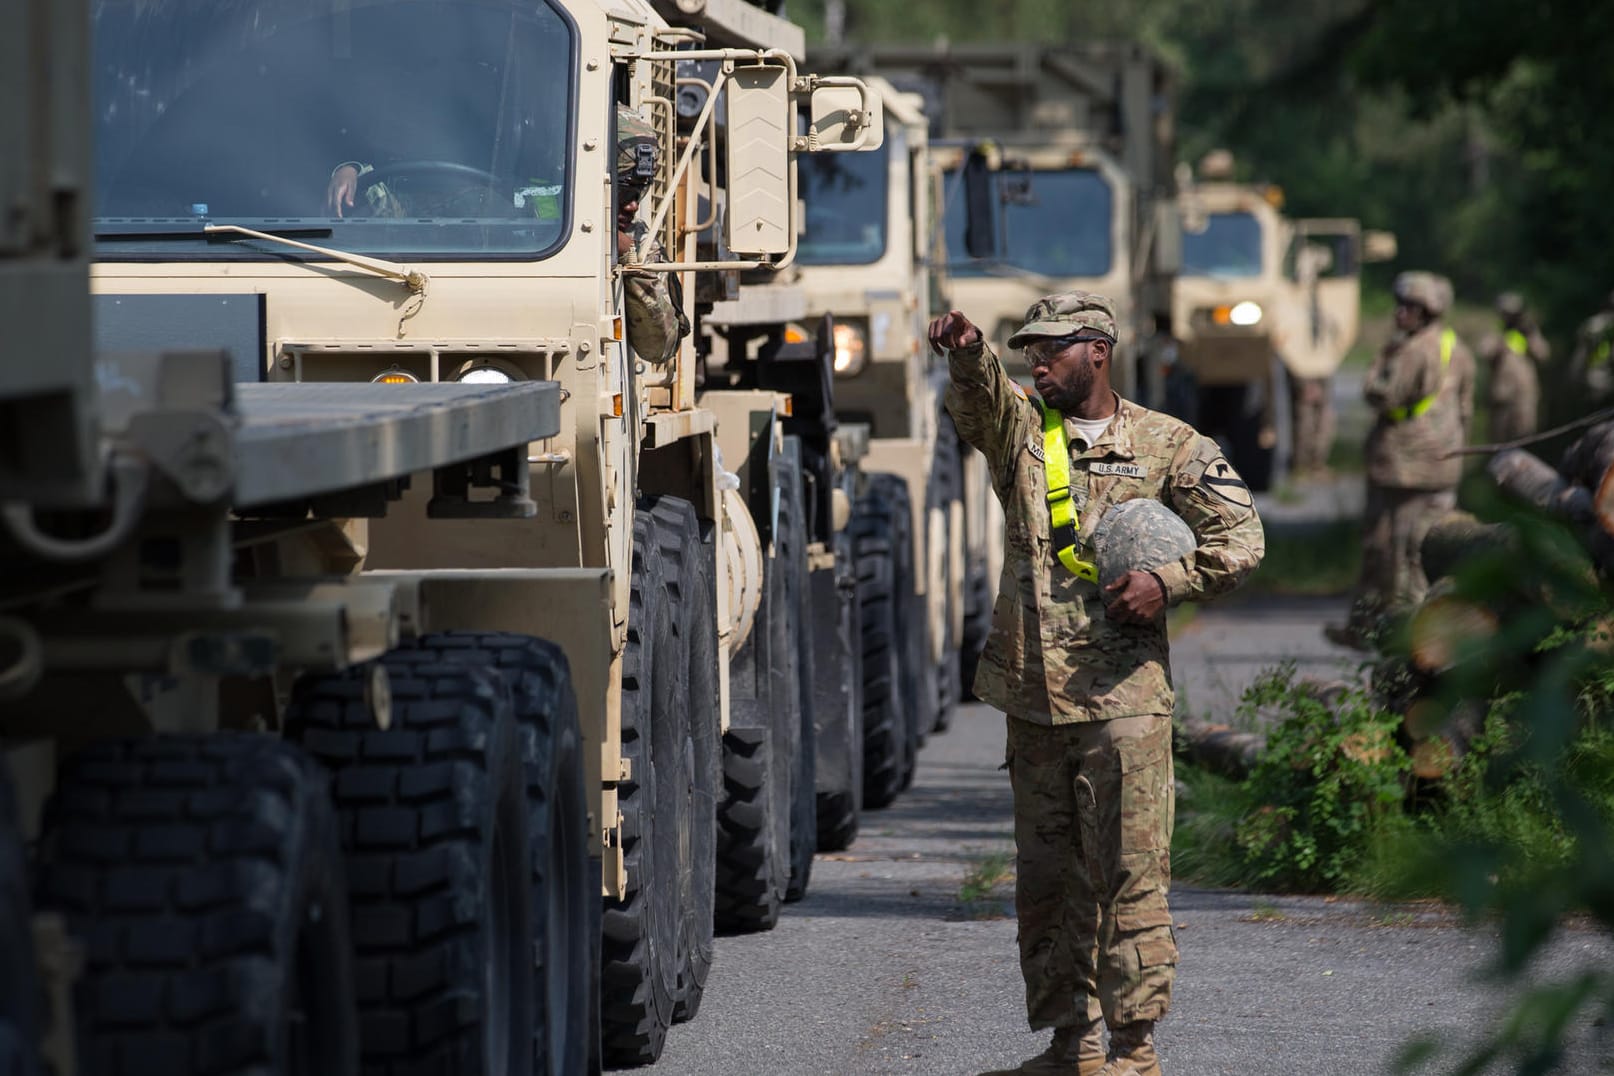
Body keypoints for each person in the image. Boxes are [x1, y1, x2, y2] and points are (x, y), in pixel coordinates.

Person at [929, 292, 1265, 1076]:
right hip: (1035, 699)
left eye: (1052, 350)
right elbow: (979, 403)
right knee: (1050, 888)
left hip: (1124, 704)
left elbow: (1241, 539)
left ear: (1098, 352)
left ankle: (1134, 1051)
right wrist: (968, 351)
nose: (1036, 363)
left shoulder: (1169, 443)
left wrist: (1168, 581)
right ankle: (1069, 1047)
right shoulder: (1021, 431)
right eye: (1027, 352)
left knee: (1131, 879)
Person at [322, 106, 684, 365]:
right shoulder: (488, 198)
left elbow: (660, 346)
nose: (633, 207)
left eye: (639, 192)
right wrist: (352, 173)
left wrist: (631, 267)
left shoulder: (635, 243)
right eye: (622, 190)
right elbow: (397, 212)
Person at [1329, 271, 1473, 649]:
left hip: (1402, 465)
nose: (1400, 314)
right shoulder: (1455, 347)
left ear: (1428, 312)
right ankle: (1410, 628)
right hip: (1443, 462)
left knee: (1391, 549)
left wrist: (1380, 361)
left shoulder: (1410, 351)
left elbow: (1382, 395)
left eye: (1410, 308)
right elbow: (1466, 408)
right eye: (1400, 306)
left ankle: (1389, 631)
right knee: (1426, 546)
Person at [1477, 291, 1549, 443]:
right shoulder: (1496, 331)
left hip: (1525, 396)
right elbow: (1484, 351)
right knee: (1499, 443)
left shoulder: (1528, 331)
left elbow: (1543, 354)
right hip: (1501, 397)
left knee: (1524, 438)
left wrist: (1529, 336)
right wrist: (1502, 338)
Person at [1570, 289, 1614, 414]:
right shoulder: (1596, 326)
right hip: (1601, 385)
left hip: (1594, 385)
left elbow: (1579, 359)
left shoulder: (1593, 325)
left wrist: (1576, 383)